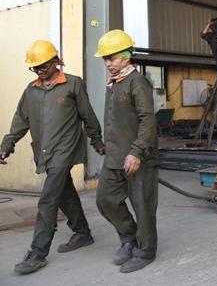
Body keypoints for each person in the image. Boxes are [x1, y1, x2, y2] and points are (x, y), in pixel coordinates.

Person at [0, 40, 104, 274]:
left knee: (48, 200)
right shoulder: (31, 90)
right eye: (35, 68)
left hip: (65, 149)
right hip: (45, 151)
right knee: (65, 190)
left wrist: (97, 141)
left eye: (43, 67)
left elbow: (88, 116)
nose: (39, 72)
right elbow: (20, 120)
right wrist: (7, 144)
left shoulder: (73, 84)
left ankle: (37, 252)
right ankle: (82, 233)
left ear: (56, 61)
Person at [94, 29, 160, 273]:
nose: (108, 63)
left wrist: (137, 151)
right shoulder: (113, 84)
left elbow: (147, 119)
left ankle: (145, 251)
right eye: (105, 59)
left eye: (112, 58)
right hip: (114, 157)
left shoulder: (137, 82)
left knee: (143, 206)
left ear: (126, 56)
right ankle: (129, 237)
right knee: (105, 200)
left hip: (139, 158)